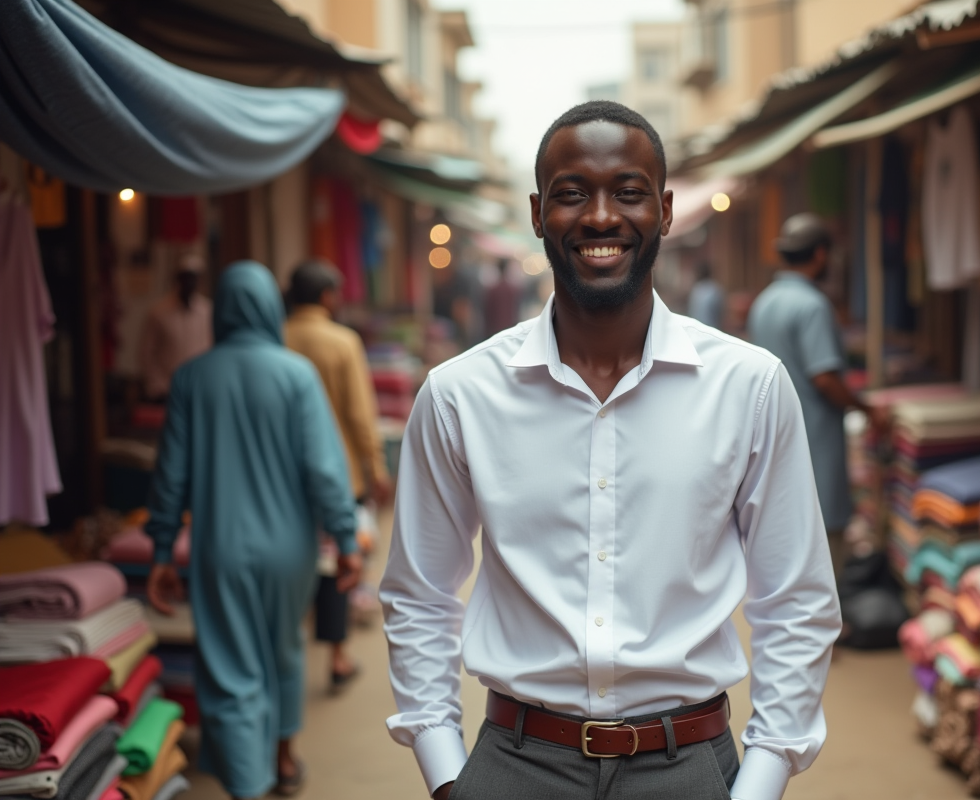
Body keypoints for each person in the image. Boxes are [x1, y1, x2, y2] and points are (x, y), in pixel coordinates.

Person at [380, 101, 840, 800]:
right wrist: (448, 777)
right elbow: (419, 596)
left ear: (663, 208)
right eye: (572, 194)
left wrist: (762, 780)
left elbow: (796, 599)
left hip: (689, 764)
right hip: (514, 764)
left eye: (627, 192)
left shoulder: (748, 387)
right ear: (538, 213)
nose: (600, 217)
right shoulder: (458, 395)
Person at [145, 261, 361, 800]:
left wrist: (161, 553)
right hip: (290, 550)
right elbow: (325, 470)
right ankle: (285, 760)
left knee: (231, 665)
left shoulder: (191, 378)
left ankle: (248, 782)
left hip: (219, 549)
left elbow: (170, 477)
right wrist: (347, 539)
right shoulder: (295, 375)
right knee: (284, 649)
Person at [284, 259, 390, 691]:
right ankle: (337, 655)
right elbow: (359, 412)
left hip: (285, 472)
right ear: (327, 296)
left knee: (296, 554)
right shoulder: (342, 341)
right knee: (336, 564)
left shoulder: (277, 337)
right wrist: (376, 465)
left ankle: (289, 643)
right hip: (339, 470)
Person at [748, 214, 883, 550]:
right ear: (821, 254)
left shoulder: (764, 302)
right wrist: (867, 408)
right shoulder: (813, 306)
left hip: (774, 444)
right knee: (823, 549)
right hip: (814, 445)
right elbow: (824, 379)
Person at [139, 253, 212, 401]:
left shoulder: (208, 311)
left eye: (194, 277)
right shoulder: (159, 312)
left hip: (201, 390)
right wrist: (158, 385)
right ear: (178, 279)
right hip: (167, 391)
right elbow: (146, 353)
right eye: (186, 277)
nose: (190, 282)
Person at [484, 258, 521, 337]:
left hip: (495, 327)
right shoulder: (512, 289)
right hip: (509, 325)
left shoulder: (493, 289)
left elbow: (488, 311)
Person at [687, 262, 724, 329]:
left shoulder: (695, 289)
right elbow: (720, 313)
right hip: (711, 329)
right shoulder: (714, 289)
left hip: (696, 329)